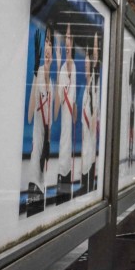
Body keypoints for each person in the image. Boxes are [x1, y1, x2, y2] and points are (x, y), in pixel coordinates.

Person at [24, 27, 52, 215]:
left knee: (40, 213)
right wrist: (35, 75)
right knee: (33, 211)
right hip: (36, 163)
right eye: (46, 42)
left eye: (50, 42)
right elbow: (29, 115)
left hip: (45, 160)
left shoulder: (53, 80)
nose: (48, 46)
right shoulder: (39, 73)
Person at [55, 24, 76, 202]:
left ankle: (64, 189)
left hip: (68, 119)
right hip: (64, 117)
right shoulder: (63, 66)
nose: (67, 40)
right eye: (66, 37)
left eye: (70, 38)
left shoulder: (70, 65)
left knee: (66, 147)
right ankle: (62, 188)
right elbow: (59, 98)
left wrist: (63, 56)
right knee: (63, 145)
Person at [80, 32, 100, 194]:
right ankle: (84, 184)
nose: (86, 66)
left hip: (91, 134)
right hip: (85, 134)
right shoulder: (85, 89)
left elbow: (96, 59)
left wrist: (95, 40)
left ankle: (89, 185)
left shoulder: (95, 85)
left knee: (89, 154)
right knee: (84, 155)